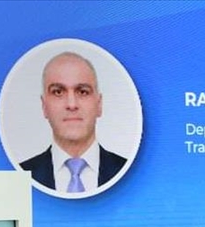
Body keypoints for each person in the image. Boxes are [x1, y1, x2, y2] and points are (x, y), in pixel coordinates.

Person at [20, 51, 126, 193]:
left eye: (82, 92)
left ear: (99, 104)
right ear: (44, 106)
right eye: (58, 92)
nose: (71, 104)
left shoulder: (131, 172)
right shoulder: (18, 177)